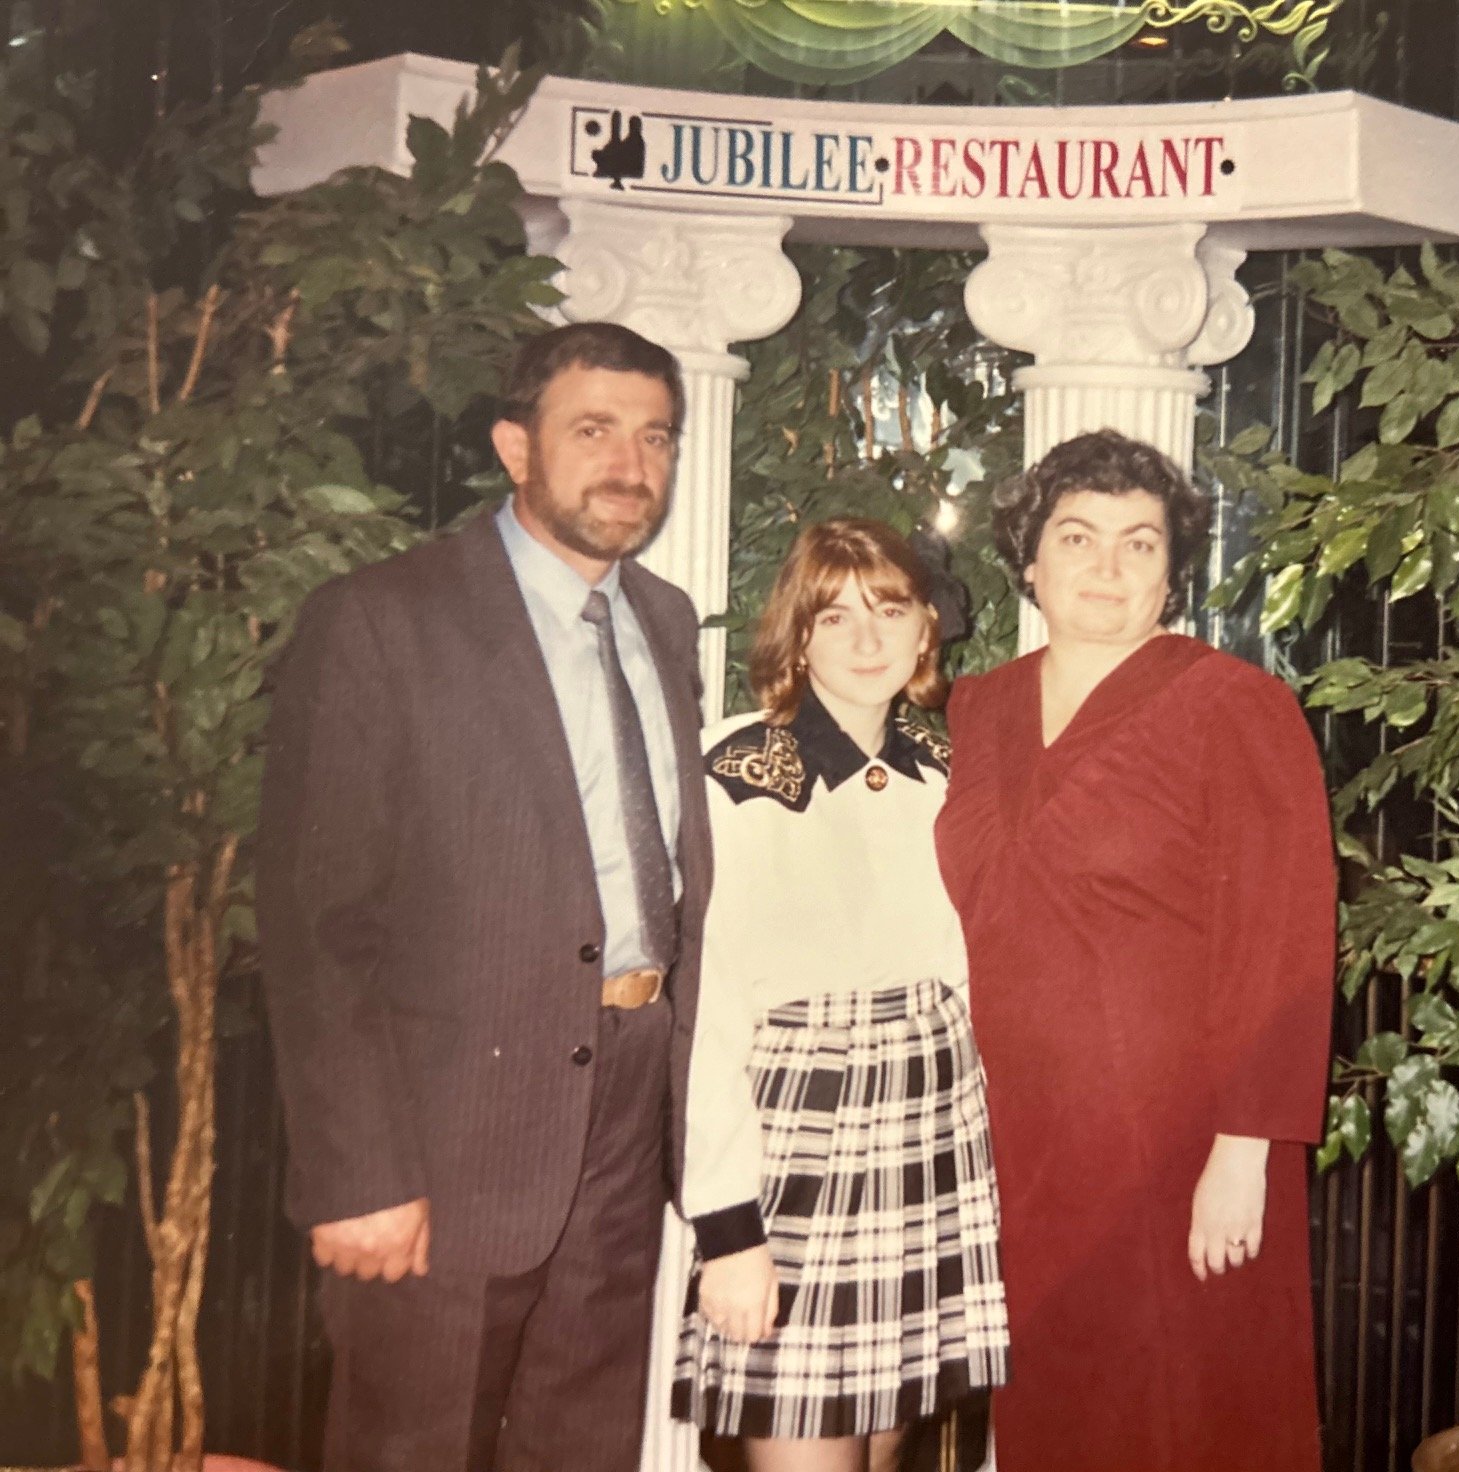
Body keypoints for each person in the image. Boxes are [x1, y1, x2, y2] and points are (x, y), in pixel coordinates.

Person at [258, 321, 713, 1472]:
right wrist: (359, 1173)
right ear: (517, 447)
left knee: (581, 1444)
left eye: (654, 436)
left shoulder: (661, 621)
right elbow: (320, 924)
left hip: (626, 1105)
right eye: (594, 430)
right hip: (447, 1136)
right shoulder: (384, 620)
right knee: (416, 1446)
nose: (631, 465)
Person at [934, 429, 1336, 1472]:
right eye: (1078, 536)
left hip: (1179, 1143)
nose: (1106, 567)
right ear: (1030, 560)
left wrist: (1244, 1147)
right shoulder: (974, 710)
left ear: (1172, 572)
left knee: (1185, 1416)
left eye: (1138, 543)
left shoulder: (1233, 704)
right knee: (1058, 1416)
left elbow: (1281, 934)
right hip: (1020, 1143)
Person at [663, 519, 1009, 1472]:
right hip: (795, 1157)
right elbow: (704, 1017)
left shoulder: (949, 773)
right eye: (835, 615)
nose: (866, 641)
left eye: (889, 610)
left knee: (889, 1451)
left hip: (932, 1140)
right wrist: (728, 1230)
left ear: (925, 629)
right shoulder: (729, 773)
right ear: (797, 635)